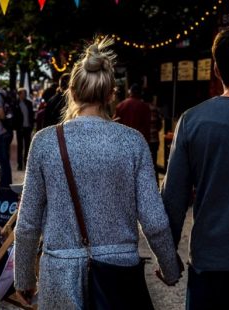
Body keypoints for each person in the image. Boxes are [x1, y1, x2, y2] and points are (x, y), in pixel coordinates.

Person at [14, 37, 181, 309]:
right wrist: (170, 268)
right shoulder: (132, 142)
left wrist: (23, 277)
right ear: (111, 94)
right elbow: (154, 221)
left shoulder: (45, 142)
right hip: (118, 273)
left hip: (60, 272)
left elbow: (28, 222)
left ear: (71, 91)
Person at [161, 28, 229, 310]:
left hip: (210, 266)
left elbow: (174, 198)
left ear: (217, 70)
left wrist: (167, 255)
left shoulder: (192, 121)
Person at [14, 88, 34, 171]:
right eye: (23, 93)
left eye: (25, 93)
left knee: (27, 146)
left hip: (27, 128)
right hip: (20, 128)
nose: (25, 95)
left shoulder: (29, 103)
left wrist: (31, 125)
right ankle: (19, 164)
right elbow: (15, 117)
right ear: (19, 94)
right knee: (20, 147)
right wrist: (17, 126)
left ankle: (26, 163)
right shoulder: (15, 104)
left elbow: (31, 115)